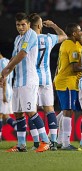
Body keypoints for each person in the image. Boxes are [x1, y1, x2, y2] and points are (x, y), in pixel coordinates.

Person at [0, 12, 50, 152]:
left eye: (23, 24)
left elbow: (22, 54)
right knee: (18, 113)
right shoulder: (17, 38)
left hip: (29, 79)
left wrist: (6, 69)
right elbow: (13, 59)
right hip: (18, 81)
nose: (21, 27)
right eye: (18, 25)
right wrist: (5, 74)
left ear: (28, 24)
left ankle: (45, 141)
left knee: (30, 111)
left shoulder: (31, 35)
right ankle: (21, 145)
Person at [28, 13, 67, 150]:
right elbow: (64, 36)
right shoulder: (48, 38)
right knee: (49, 110)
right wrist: (54, 26)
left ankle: (37, 143)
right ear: (40, 25)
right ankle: (54, 142)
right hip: (46, 79)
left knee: (32, 110)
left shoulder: (26, 40)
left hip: (31, 79)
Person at [53, 23, 82, 150]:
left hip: (62, 80)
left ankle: (55, 138)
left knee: (66, 110)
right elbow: (75, 67)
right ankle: (65, 143)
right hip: (67, 82)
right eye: (79, 31)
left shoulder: (66, 43)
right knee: (68, 111)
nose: (81, 33)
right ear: (74, 33)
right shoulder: (72, 47)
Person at [0, 51, 16, 141]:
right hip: (9, 89)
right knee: (5, 115)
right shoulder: (7, 61)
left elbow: (4, 79)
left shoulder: (2, 63)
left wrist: (4, 94)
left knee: (1, 115)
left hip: (3, 90)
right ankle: (17, 126)